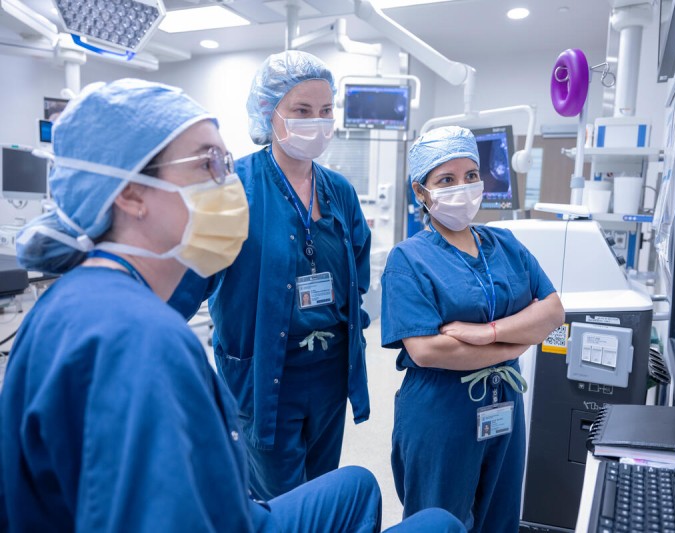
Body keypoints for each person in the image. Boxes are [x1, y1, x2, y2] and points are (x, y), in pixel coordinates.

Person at [0, 79, 465, 533]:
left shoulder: (75, 297)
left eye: (225, 162)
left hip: (267, 455)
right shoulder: (141, 340)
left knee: (356, 484)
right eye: (208, 164)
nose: (228, 185)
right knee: (440, 523)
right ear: (130, 193)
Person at [168, 50, 372, 501]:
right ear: (270, 111)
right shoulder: (232, 188)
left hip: (330, 373)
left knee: (322, 495)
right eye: (302, 111)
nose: (316, 122)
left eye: (325, 111)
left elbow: (355, 278)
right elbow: (184, 285)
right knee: (277, 504)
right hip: (263, 374)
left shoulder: (339, 191)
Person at [381, 126, 565, 532]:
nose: (462, 188)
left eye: (470, 176)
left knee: (500, 518)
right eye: (446, 180)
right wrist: (515, 343)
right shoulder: (408, 259)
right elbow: (427, 350)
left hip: (503, 404)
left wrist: (488, 333)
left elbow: (552, 311)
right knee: (438, 521)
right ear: (421, 191)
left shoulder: (506, 244)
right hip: (441, 411)